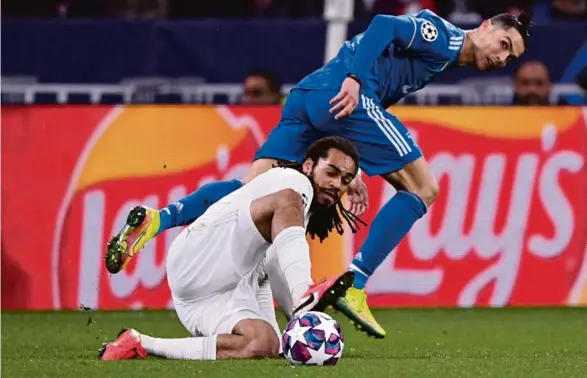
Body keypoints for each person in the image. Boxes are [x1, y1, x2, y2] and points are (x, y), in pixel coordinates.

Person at [105, 9, 533, 339]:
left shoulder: (443, 57)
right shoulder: (443, 37)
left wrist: (351, 162)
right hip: (344, 94)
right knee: (424, 188)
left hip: (310, 96)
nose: (501, 57)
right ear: (483, 27)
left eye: (509, 56)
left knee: (251, 197)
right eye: (503, 43)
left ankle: (158, 219)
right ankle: (356, 282)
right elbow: (383, 24)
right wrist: (353, 81)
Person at [100, 136, 363, 361]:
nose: (337, 184)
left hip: (201, 299)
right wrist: (303, 296)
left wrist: (294, 323)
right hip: (200, 257)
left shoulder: (293, 221)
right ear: (308, 165)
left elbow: (267, 268)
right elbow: (274, 256)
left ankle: (139, 343)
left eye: (345, 180)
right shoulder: (292, 182)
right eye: (331, 172)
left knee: (265, 344)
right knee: (287, 201)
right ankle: (162, 218)